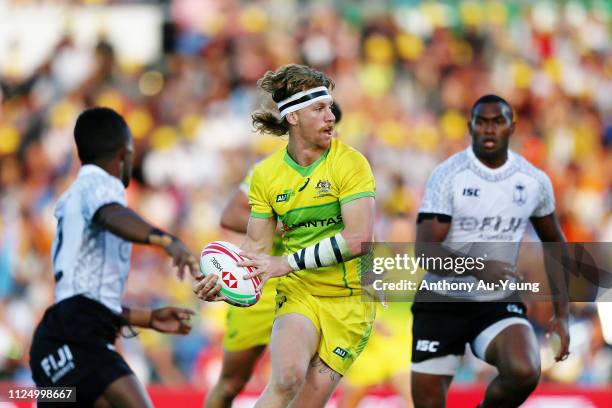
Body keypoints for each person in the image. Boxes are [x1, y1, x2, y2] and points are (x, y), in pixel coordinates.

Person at [195, 64, 376, 407]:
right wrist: (224, 280)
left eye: (330, 108)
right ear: (292, 117)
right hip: (300, 292)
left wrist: (285, 262)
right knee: (286, 377)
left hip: (350, 302)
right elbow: (256, 248)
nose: (331, 117)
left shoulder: (352, 164)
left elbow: (357, 240)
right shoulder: (266, 175)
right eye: (319, 109)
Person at [29, 107, 222, 407]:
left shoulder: (74, 196)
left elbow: (88, 303)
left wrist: (150, 319)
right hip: (78, 339)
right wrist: (164, 239)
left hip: (56, 343)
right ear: (124, 154)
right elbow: (110, 214)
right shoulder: (99, 186)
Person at [411, 94, 570, 408]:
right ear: (470, 127)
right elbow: (425, 251)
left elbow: (556, 245)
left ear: (512, 127)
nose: (489, 129)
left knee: (525, 370)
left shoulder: (533, 181)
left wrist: (562, 314)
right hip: (442, 300)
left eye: (498, 122)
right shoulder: (448, 176)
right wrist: (478, 267)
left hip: (496, 301)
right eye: (482, 122)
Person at [205, 102, 343, 408]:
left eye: (332, 123)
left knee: (305, 383)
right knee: (231, 383)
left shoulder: (346, 174)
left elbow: (362, 236)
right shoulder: (269, 171)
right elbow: (230, 216)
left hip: (312, 287)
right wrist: (286, 223)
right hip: (261, 284)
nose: (329, 129)